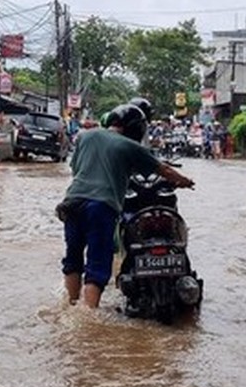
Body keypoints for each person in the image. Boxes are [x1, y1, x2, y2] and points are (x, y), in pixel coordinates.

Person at [56, 102, 194, 308]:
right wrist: (185, 181)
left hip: (72, 202)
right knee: (97, 264)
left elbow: (76, 168)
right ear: (136, 128)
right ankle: (88, 319)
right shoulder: (130, 146)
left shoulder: (85, 136)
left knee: (73, 258)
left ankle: (71, 307)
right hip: (101, 206)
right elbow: (163, 170)